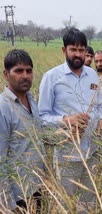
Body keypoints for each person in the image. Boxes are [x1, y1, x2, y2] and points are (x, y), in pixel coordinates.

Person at [38, 28, 102, 212]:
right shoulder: (51, 77)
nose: (78, 54)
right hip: (67, 156)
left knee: (88, 203)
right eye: (73, 49)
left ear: (86, 51)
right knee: (65, 204)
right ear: (64, 50)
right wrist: (67, 119)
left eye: (81, 50)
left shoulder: (92, 75)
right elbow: (42, 117)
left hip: (92, 152)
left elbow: (100, 105)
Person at [0, 49, 45, 212]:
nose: (25, 75)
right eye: (18, 71)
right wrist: (9, 205)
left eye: (28, 71)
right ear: (6, 74)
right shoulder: (3, 108)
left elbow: (37, 140)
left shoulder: (31, 101)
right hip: (17, 196)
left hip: (36, 188)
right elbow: (0, 160)